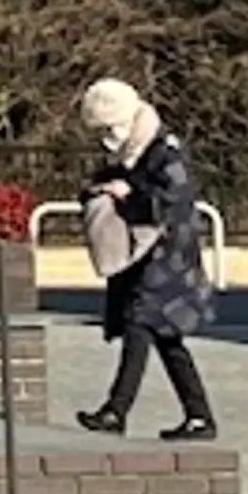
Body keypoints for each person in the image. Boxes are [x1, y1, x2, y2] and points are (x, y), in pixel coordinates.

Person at [71, 77, 218, 442]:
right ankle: (198, 415)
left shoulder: (164, 151)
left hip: (169, 256)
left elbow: (172, 202)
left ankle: (116, 410)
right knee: (166, 338)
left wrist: (129, 195)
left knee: (140, 325)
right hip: (142, 254)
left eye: (108, 128)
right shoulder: (127, 153)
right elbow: (97, 185)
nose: (105, 137)